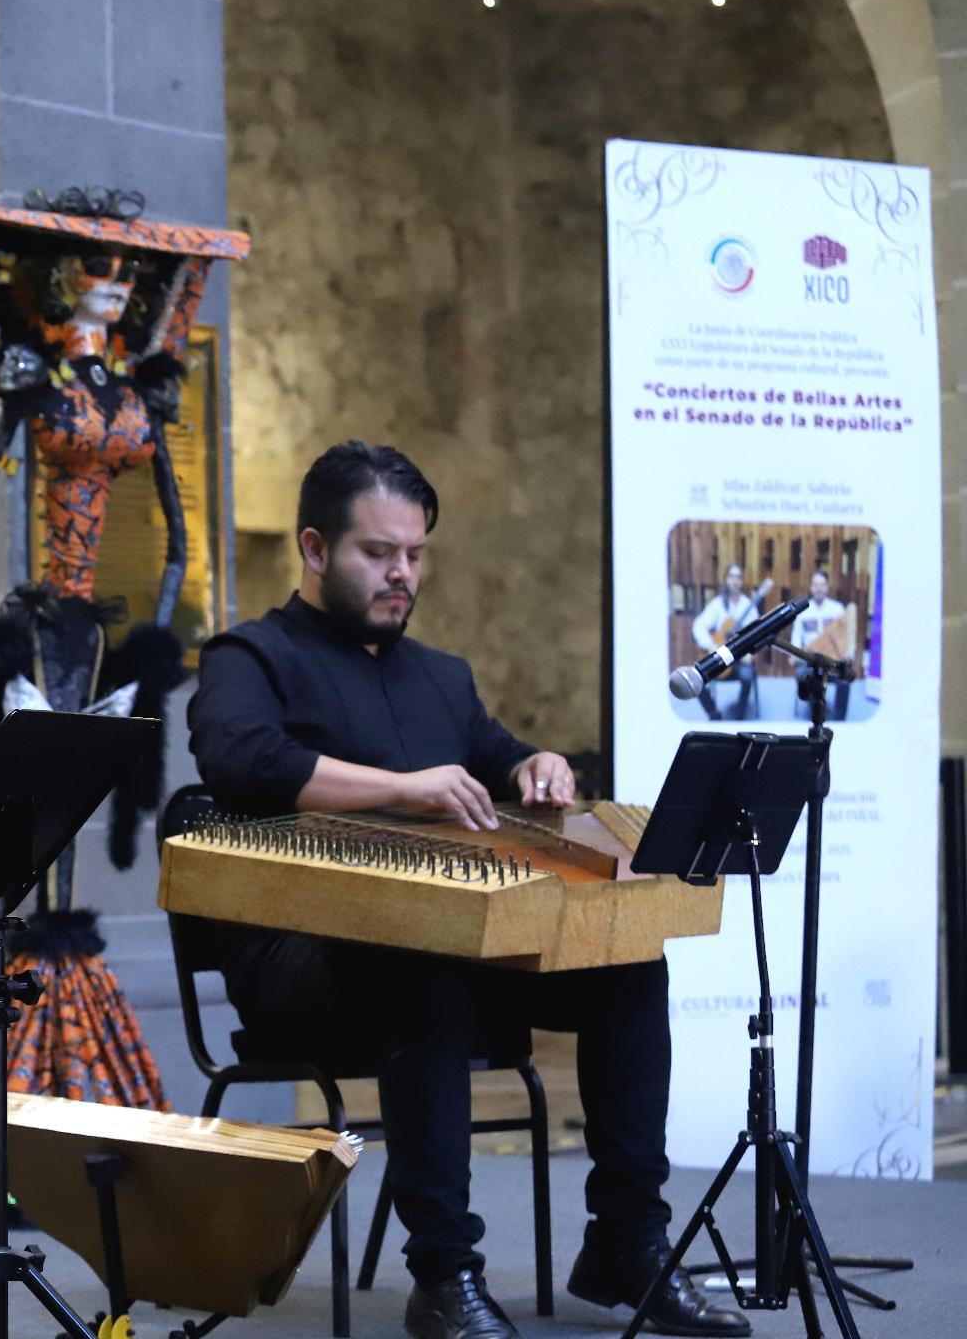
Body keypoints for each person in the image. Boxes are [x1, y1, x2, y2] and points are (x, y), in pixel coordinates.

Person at [186, 441, 747, 1339]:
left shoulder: (439, 675)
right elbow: (241, 760)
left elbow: (496, 755)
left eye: (415, 553)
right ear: (315, 548)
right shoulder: (251, 656)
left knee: (628, 966)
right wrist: (402, 788)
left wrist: (536, 765)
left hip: (446, 944)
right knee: (427, 967)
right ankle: (444, 1275)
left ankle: (627, 1241)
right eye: (379, 552)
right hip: (300, 956)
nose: (402, 573)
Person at [689, 564, 773, 721]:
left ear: (742, 581)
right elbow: (698, 625)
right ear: (726, 580)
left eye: (738, 577)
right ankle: (714, 713)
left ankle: (739, 715)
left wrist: (749, 653)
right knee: (695, 677)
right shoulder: (717, 604)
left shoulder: (748, 605)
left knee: (747, 675)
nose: (735, 581)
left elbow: (757, 635)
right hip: (721, 658)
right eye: (731, 577)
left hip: (740, 659)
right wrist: (710, 645)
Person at [790, 569, 852, 721]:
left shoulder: (837, 609)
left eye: (822, 585)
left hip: (832, 661)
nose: (819, 588)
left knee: (845, 680)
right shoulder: (802, 612)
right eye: (815, 585)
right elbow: (796, 640)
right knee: (808, 677)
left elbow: (845, 639)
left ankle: (840, 720)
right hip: (809, 661)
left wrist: (847, 654)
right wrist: (794, 655)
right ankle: (816, 717)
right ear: (811, 587)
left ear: (827, 587)